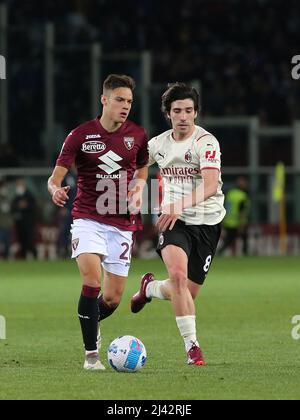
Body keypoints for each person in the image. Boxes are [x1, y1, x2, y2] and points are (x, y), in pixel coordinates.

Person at [48, 74, 149, 370]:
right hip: (87, 218)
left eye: (129, 101)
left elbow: (143, 168)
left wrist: (141, 186)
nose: (125, 106)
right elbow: (54, 178)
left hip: (122, 224)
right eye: (119, 99)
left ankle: (89, 320)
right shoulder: (80, 135)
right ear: (104, 100)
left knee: (113, 298)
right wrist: (55, 190)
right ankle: (91, 355)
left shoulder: (138, 135)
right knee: (91, 282)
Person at [131, 82, 226, 365]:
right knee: (178, 278)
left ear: (196, 113)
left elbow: (210, 186)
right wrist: (136, 185)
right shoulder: (158, 144)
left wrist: (178, 204)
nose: (183, 116)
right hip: (174, 222)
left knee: (185, 291)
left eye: (188, 110)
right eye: (177, 111)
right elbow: (135, 162)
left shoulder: (205, 143)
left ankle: (148, 289)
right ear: (168, 114)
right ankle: (192, 347)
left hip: (208, 224)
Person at [218, 177, 250, 256]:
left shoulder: (230, 193)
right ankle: (245, 253)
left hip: (228, 220)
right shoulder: (242, 196)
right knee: (242, 238)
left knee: (229, 239)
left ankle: (220, 252)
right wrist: (242, 224)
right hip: (237, 221)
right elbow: (242, 211)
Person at [11, 179, 37, 259]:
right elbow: (12, 207)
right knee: (21, 240)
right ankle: (23, 256)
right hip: (19, 222)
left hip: (28, 222)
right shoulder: (17, 196)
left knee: (29, 239)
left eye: (20, 185)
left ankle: (34, 253)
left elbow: (34, 206)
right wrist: (18, 206)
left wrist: (26, 205)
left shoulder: (29, 195)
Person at [0, 179, 13, 259]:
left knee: (7, 243)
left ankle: (6, 257)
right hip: (1, 225)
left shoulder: (7, 199)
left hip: (7, 225)